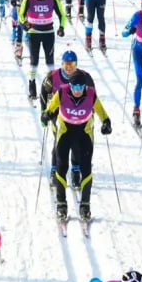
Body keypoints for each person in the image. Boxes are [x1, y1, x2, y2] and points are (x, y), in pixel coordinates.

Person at [41, 68, 110, 221]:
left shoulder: (91, 94)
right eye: (74, 87)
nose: (77, 91)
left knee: (86, 168)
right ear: (70, 86)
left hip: (84, 133)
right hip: (65, 132)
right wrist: (46, 115)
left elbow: (102, 113)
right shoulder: (62, 92)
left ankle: (85, 205)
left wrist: (106, 123)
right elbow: (50, 108)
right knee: (61, 167)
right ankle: (61, 205)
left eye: (80, 87)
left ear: (84, 86)